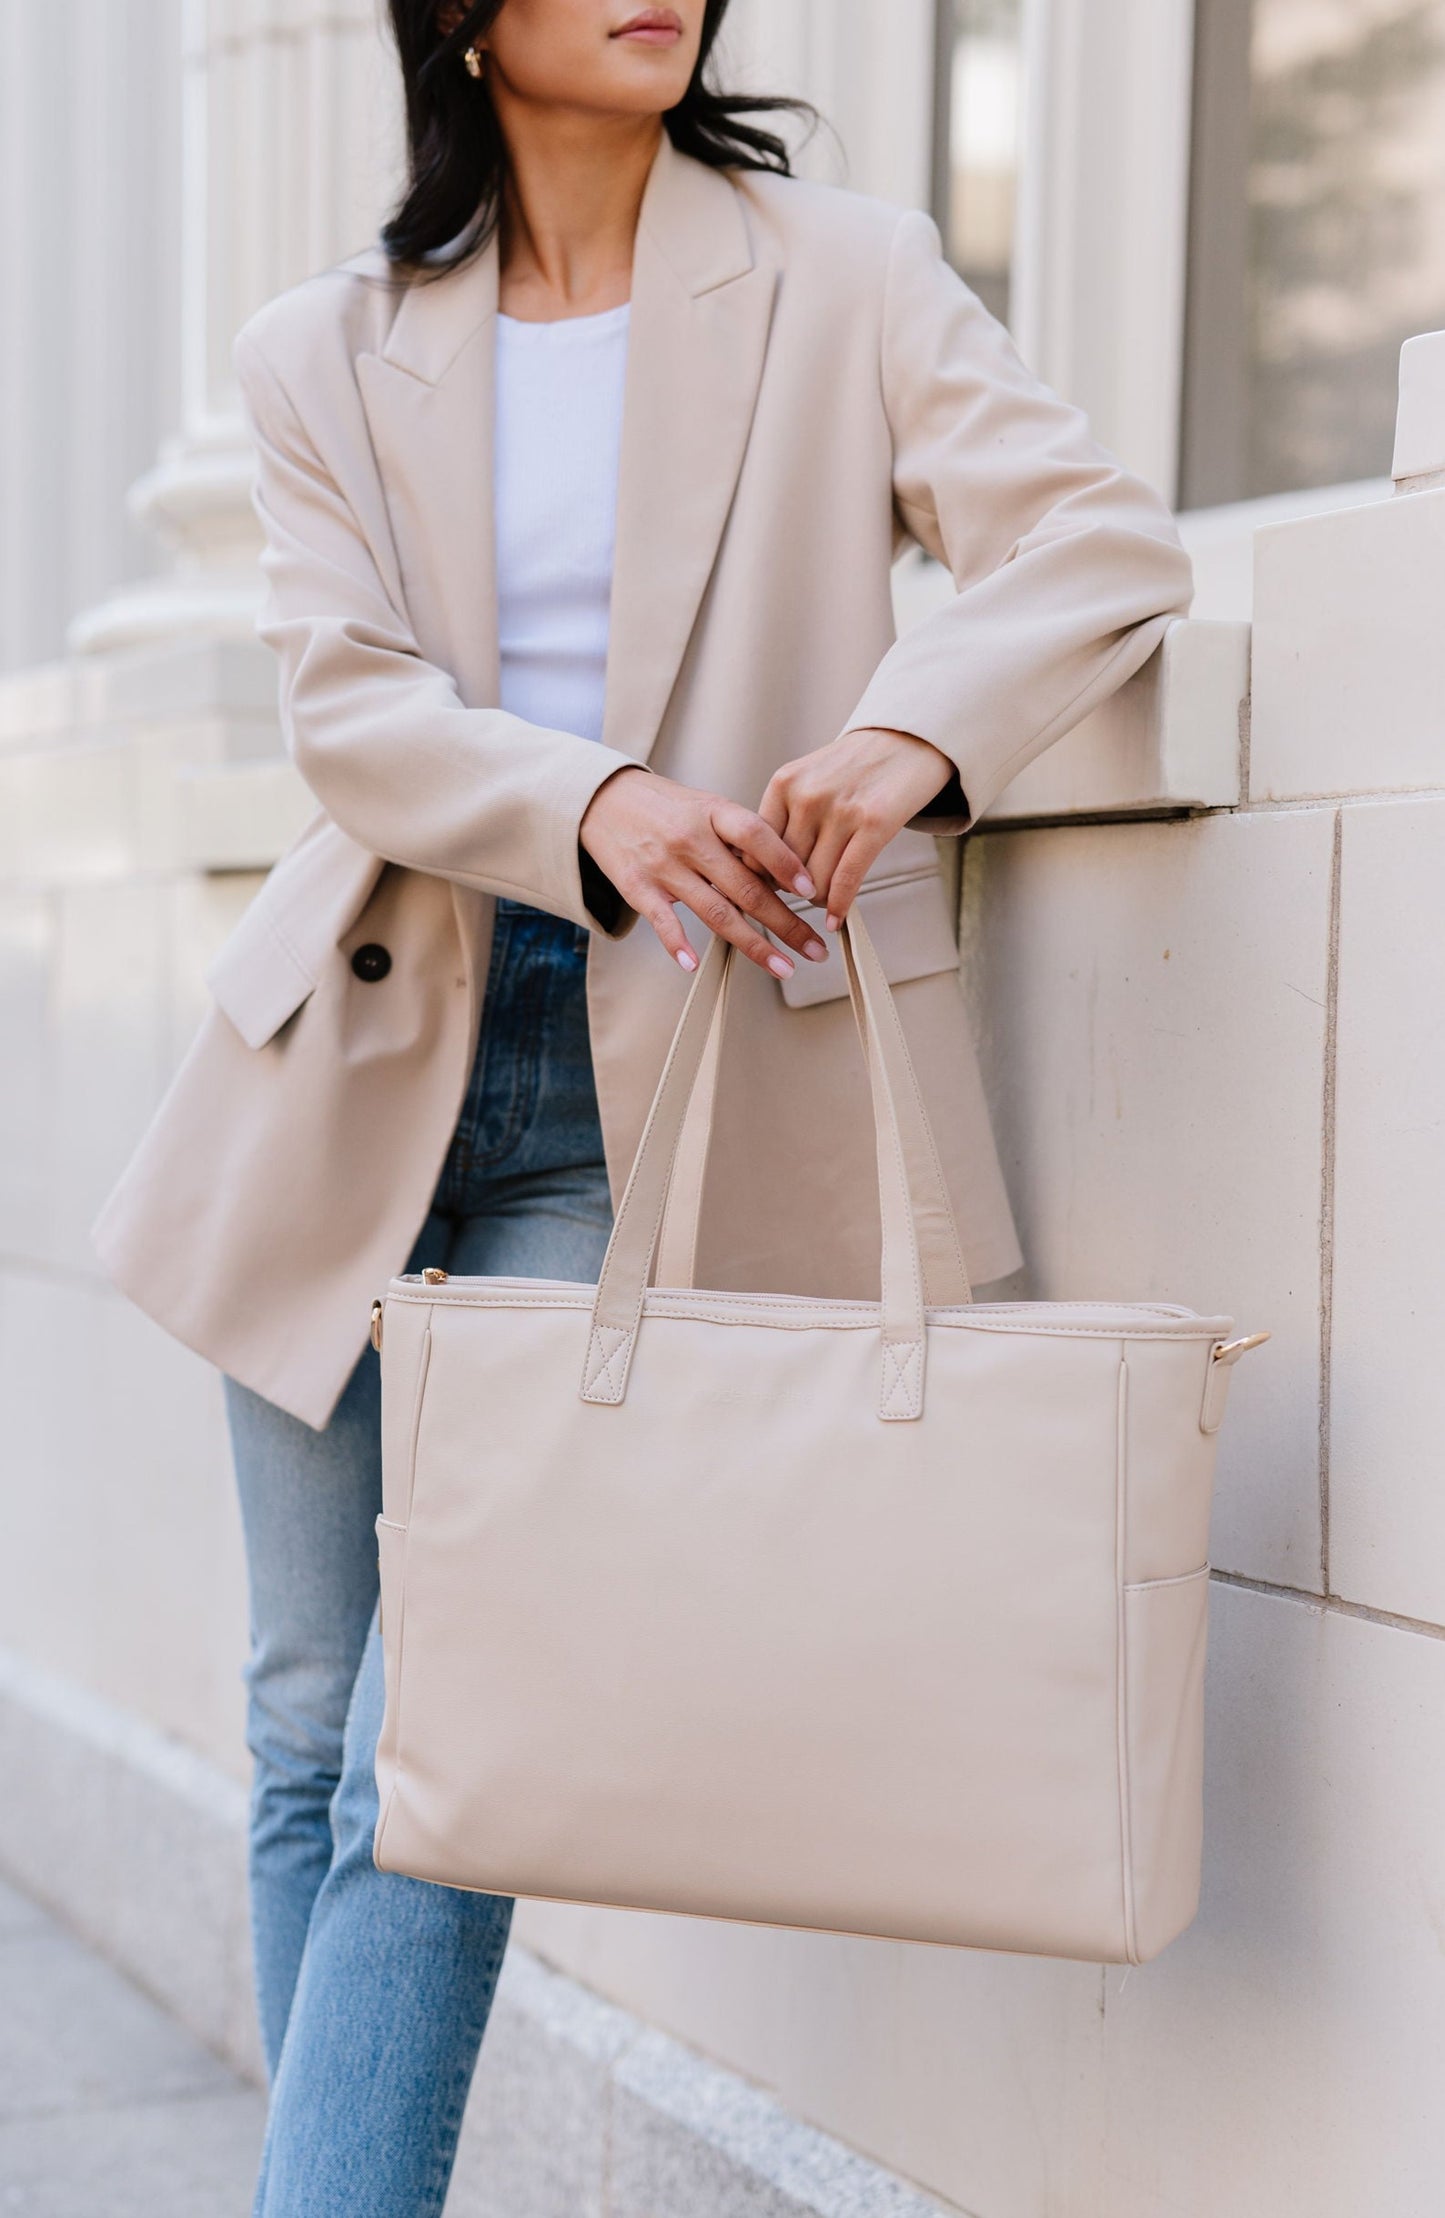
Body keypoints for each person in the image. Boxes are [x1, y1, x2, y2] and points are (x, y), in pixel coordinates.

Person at [91, 1, 1194, 2208]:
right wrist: (584, 792)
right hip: (360, 1069)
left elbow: (1092, 541)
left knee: (454, 1743)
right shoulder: (326, 345)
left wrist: (913, 735)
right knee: (312, 1722)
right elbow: (351, 709)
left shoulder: (848, 277)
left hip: (653, 1094)